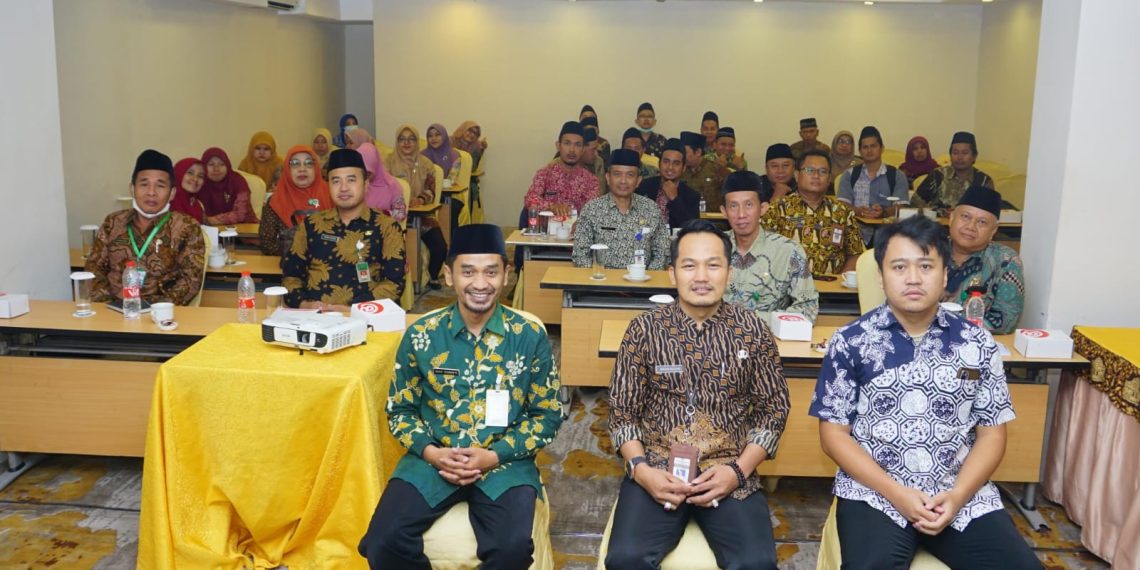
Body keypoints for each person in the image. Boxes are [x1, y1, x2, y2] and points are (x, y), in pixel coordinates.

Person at [810, 215, 1041, 570]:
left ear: (945, 275)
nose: (913, 278)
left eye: (926, 266)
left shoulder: (976, 343)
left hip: (957, 492)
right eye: (899, 266)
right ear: (882, 276)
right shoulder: (851, 342)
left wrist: (959, 495)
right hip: (876, 493)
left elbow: (992, 432)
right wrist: (898, 495)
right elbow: (833, 435)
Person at [358, 224, 563, 570]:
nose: (480, 284)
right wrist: (432, 452)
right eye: (468, 271)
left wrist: (493, 456)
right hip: (433, 459)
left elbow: (547, 416)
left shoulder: (528, 337)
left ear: (506, 276)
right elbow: (400, 409)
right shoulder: (422, 335)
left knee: (512, 549)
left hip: (504, 464)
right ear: (449, 275)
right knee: (382, 540)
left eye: (491, 272)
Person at [605, 219, 789, 570]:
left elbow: (773, 411)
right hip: (657, 469)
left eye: (713, 265)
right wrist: (642, 471)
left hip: (730, 470)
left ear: (729, 272)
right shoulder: (645, 329)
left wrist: (738, 471)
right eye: (689, 265)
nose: (701, 276)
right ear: (672, 274)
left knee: (757, 563)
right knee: (625, 559)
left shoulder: (753, 330)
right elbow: (621, 413)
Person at [281, 149, 405, 311]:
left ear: (366, 184)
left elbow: (394, 284)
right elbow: (291, 276)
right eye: (336, 181)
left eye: (351, 180)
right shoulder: (311, 225)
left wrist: (350, 309)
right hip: (314, 317)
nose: (344, 188)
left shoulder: (386, 227)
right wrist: (305, 304)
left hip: (365, 318)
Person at [85, 149, 206, 305]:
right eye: (144, 184)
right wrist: (109, 306)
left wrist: (156, 310)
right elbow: (94, 270)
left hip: (161, 317)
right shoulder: (113, 222)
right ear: (132, 189)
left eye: (160, 186)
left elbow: (190, 281)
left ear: (172, 193)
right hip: (112, 311)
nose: (151, 192)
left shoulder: (187, 227)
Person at [720, 170, 820, 323]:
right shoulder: (711, 248)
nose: (741, 214)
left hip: (769, 338)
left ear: (763, 208)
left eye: (748, 205)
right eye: (733, 206)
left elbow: (808, 308)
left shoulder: (788, 251)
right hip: (716, 338)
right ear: (724, 212)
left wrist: (752, 321)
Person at [763, 150, 864, 275]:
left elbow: (855, 254)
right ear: (796, 175)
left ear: (829, 179)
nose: (816, 175)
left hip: (833, 290)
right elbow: (762, 252)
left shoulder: (842, 212)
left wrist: (841, 281)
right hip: (788, 290)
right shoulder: (778, 209)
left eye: (823, 171)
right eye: (810, 170)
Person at [572, 149, 669, 270]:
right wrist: (597, 278)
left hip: (642, 284)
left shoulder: (651, 209)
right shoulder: (592, 209)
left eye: (630, 175)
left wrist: (647, 280)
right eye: (617, 174)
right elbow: (580, 254)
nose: (623, 181)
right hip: (602, 284)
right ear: (607, 178)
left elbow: (662, 252)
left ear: (638, 181)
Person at [946, 186, 1024, 334]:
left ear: (993, 231)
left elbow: (1007, 320)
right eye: (965, 217)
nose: (971, 227)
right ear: (951, 219)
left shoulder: (1006, 261)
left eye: (982, 222)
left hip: (974, 346)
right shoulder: (928, 251)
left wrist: (944, 324)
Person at [387, 124, 447, 289]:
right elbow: (382, 190)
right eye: (402, 139)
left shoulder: (426, 164)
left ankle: (433, 276)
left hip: (422, 215)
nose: (406, 143)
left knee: (440, 247)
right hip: (394, 217)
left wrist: (420, 199)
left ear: (417, 142)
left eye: (411, 139)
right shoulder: (388, 163)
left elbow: (432, 189)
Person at [837, 126, 910, 242]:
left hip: (888, 237)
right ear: (860, 151)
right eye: (865, 147)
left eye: (873, 146)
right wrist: (858, 211)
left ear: (882, 148)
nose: (869, 150)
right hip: (855, 236)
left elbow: (902, 208)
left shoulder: (896, 175)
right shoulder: (849, 175)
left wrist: (884, 212)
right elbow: (841, 206)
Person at [258, 145, 331, 256]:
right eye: (295, 164)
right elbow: (267, 243)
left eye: (309, 163)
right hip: (289, 265)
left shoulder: (332, 195)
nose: (302, 169)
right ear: (287, 169)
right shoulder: (275, 201)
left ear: (316, 168)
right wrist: (298, 254)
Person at [524, 121, 599, 217]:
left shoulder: (591, 181)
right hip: (548, 230)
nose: (572, 150)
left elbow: (592, 211)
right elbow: (530, 199)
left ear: (583, 149)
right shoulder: (544, 174)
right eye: (567, 143)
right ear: (558, 146)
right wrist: (552, 207)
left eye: (577, 145)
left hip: (577, 231)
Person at [914, 132, 995, 215]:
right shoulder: (937, 175)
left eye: (965, 153)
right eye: (955, 153)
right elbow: (915, 203)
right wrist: (939, 212)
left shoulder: (984, 181)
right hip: (939, 225)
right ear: (950, 155)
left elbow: (989, 213)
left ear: (974, 156)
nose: (959, 157)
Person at [635, 138, 701, 228]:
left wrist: (675, 199)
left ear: (684, 168)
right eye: (666, 162)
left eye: (676, 163)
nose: (670, 167)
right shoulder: (644, 186)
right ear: (659, 164)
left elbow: (692, 228)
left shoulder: (691, 196)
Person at [423, 122, 465, 236]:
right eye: (430, 136)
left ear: (444, 136)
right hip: (425, 197)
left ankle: (452, 244)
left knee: (452, 207)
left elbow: (451, 178)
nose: (434, 138)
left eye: (437, 134)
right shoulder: (421, 156)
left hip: (446, 195)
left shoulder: (454, 155)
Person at [199, 147, 258, 225]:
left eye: (221, 164)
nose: (216, 168)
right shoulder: (199, 183)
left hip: (245, 230)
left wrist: (210, 220)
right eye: (211, 164)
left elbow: (240, 214)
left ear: (227, 165)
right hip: (208, 231)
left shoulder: (237, 181)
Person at [680, 131, 730, 212]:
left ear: (698, 152)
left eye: (685, 152)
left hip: (714, 221)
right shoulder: (680, 171)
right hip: (687, 220)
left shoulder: (717, 169)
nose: (681, 155)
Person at [358, 141, 407, 225]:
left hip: (384, 230)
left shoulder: (391, 185)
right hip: (356, 231)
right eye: (362, 173)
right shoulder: (354, 185)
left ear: (376, 167)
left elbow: (401, 214)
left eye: (369, 173)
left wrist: (383, 215)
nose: (365, 177)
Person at [169, 157, 206, 223]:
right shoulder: (167, 202)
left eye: (200, 176)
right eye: (190, 173)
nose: (195, 179)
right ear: (179, 173)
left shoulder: (197, 204)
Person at [580, 127, 608, 195]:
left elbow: (601, 192)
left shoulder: (598, 161)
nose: (596, 154)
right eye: (593, 149)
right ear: (581, 148)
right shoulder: (561, 165)